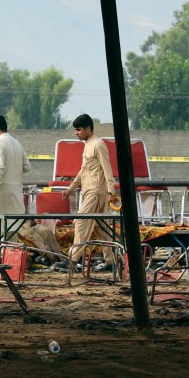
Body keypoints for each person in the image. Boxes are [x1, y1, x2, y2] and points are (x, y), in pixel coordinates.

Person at [53, 114, 117, 271]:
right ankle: (111, 262)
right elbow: (83, 171)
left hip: (96, 192)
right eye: (75, 130)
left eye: (79, 130)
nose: (76, 133)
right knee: (101, 228)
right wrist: (71, 188)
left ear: (88, 128)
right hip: (89, 191)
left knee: (81, 222)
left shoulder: (98, 144)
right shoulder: (88, 145)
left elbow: (107, 168)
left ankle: (72, 261)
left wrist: (111, 190)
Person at [0, 115, 31, 242]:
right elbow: (27, 167)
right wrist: (13, 172)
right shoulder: (16, 143)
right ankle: (10, 256)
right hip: (16, 193)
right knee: (12, 229)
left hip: (1, 193)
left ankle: (2, 251)